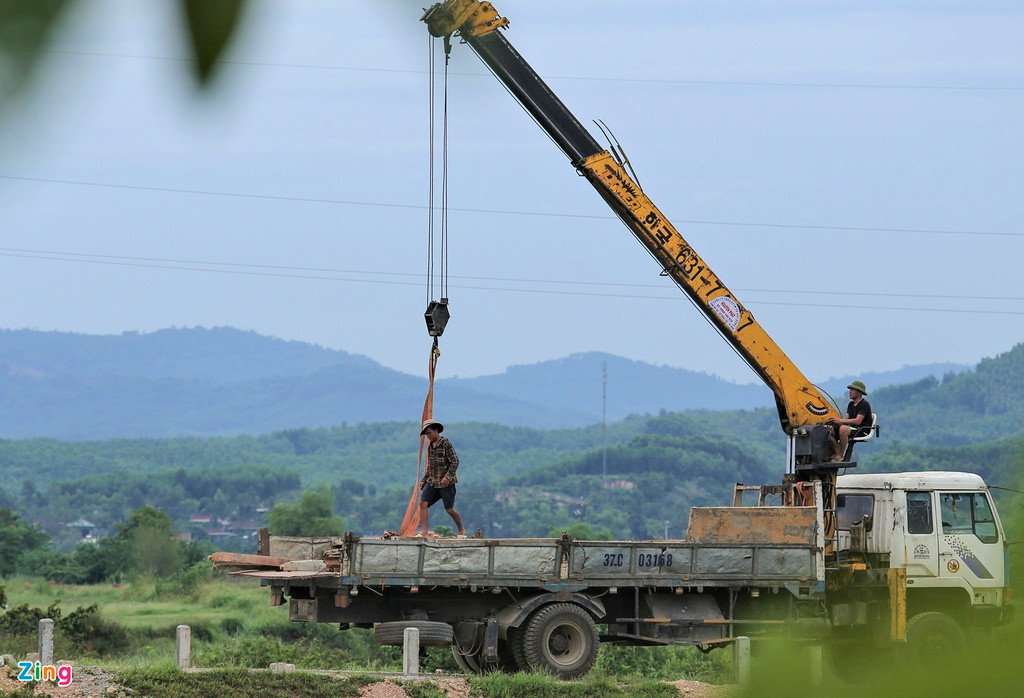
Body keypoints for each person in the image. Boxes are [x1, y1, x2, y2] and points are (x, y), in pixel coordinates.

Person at [418, 419, 466, 538]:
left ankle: (461, 530)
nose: (428, 436)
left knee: (449, 509)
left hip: (446, 483)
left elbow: (455, 461)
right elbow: (430, 465)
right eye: (426, 434)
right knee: (422, 503)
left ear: (436, 431)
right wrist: (424, 480)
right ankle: (424, 532)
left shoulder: (445, 444)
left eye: (429, 433)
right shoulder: (431, 447)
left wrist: (448, 476)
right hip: (433, 482)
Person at [829, 380, 872, 462]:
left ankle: (841, 455)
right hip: (851, 429)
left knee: (843, 429)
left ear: (859, 393)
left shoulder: (864, 404)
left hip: (861, 430)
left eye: (852, 390)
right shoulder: (850, 404)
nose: (850, 392)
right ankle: (837, 452)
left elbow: (858, 421)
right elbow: (846, 419)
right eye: (850, 390)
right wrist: (836, 421)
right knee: (828, 429)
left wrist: (840, 421)